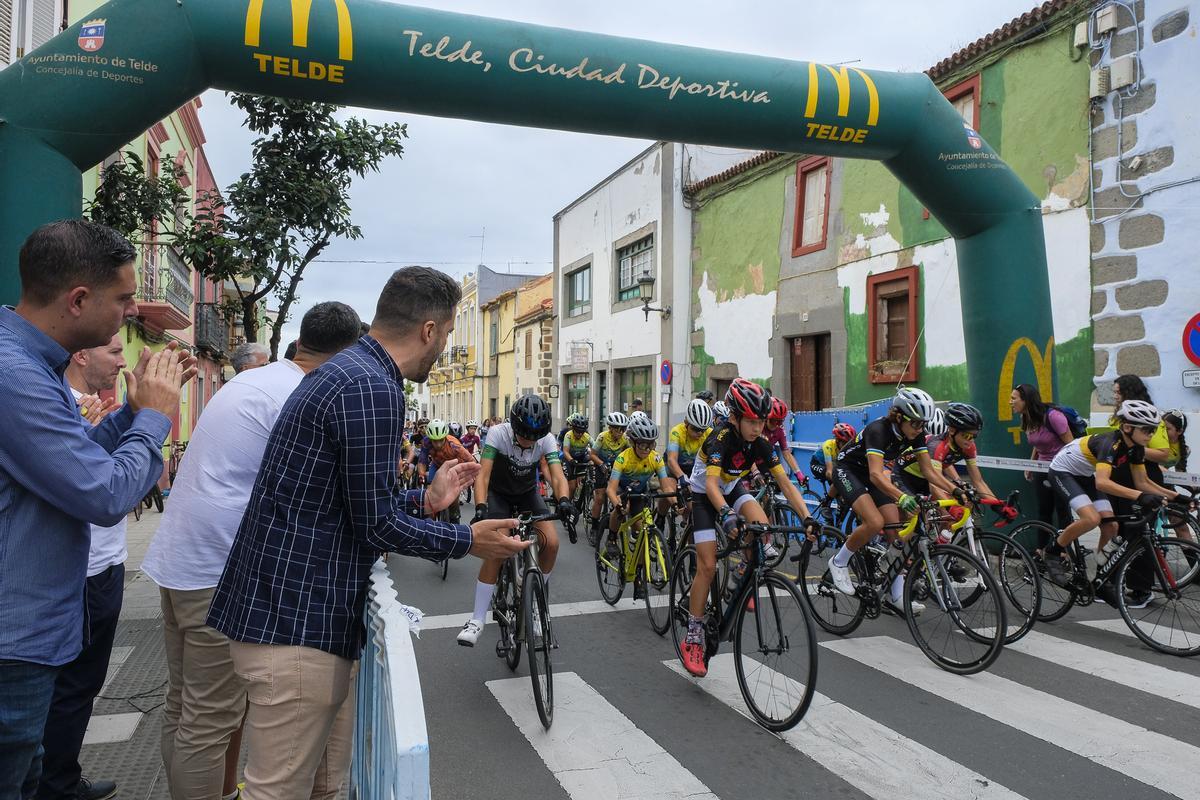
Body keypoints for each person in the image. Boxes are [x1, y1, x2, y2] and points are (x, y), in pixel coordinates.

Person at [206, 267, 527, 800]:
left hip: (287, 616)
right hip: (295, 624)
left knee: (314, 785)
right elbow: (374, 524)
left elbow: (346, 504)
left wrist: (425, 499)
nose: (443, 350)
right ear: (428, 330)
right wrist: (469, 541)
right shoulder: (373, 388)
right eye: (446, 335)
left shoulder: (351, 373)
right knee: (276, 791)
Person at [0, 219, 195, 799]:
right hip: (15, 640)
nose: (130, 312)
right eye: (124, 298)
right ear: (79, 299)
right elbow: (105, 496)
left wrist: (129, 415)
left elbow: (73, 461)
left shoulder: (33, 365)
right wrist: (156, 417)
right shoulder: (15, 375)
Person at [141, 302, 362, 800]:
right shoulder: (299, 396)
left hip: (182, 562)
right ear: (345, 354)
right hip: (217, 571)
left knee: (184, 709)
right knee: (208, 719)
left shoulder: (254, 380)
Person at [35, 334, 129, 800]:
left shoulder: (87, 407)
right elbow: (101, 491)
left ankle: (59, 776)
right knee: (73, 685)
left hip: (104, 561)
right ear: (81, 354)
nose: (121, 361)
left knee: (80, 683)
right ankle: (58, 784)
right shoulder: (57, 406)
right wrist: (143, 421)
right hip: (87, 567)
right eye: (113, 351)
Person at [681, 379, 817, 677]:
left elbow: (786, 484)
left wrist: (807, 517)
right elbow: (713, 487)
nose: (758, 428)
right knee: (706, 566)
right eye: (752, 421)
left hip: (731, 488)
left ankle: (741, 578)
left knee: (762, 528)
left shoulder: (761, 445)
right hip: (705, 495)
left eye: (762, 422)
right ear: (735, 417)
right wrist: (727, 514)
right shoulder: (720, 438)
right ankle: (693, 635)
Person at [825, 388, 963, 614]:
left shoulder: (914, 433)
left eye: (923, 424)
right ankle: (839, 562)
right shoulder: (878, 430)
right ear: (899, 417)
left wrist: (955, 491)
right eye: (916, 424)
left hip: (872, 476)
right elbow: (876, 475)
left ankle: (895, 595)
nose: (920, 429)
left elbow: (928, 471)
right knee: (874, 522)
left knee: (896, 534)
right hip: (849, 471)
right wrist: (902, 497)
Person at [456, 395, 575, 647]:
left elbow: (556, 475)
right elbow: (483, 474)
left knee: (551, 543)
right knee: (497, 548)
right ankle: (477, 620)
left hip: (526, 494)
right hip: (498, 495)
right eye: (525, 436)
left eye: (535, 437)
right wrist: (480, 507)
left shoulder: (546, 439)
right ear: (515, 426)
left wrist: (563, 499)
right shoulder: (498, 434)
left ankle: (534, 602)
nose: (530, 441)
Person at [1044, 400, 1179, 598]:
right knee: (1091, 519)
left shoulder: (1136, 449)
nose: (1151, 435)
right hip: (1063, 471)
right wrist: (1142, 497)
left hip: (1087, 474)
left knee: (1111, 526)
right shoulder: (1110, 444)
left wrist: (1176, 497)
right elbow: (1103, 484)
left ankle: (1101, 579)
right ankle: (1053, 551)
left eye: (1153, 430)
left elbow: (1142, 482)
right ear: (1127, 427)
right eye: (1147, 430)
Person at [891, 402, 996, 502]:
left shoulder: (969, 447)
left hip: (926, 478)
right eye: (967, 436)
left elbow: (978, 481)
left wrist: (998, 505)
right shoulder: (937, 446)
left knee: (946, 514)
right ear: (952, 430)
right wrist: (952, 509)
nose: (971, 440)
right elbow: (934, 484)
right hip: (904, 476)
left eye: (974, 436)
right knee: (915, 511)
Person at [605, 416, 676, 560]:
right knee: (620, 509)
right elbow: (610, 490)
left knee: (642, 534)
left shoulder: (655, 458)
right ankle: (611, 538)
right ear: (632, 442)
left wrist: (675, 502)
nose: (647, 449)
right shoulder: (622, 458)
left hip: (639, 493)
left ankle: (639, 573)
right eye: (643, 445)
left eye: (651, 445)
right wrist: (617, 503)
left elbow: (666, 486)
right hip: (622, 489)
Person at [1009, 383, 1074, 529]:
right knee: (1044, 511)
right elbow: (1038, 444)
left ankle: (1065, 549)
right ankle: (1041, 549)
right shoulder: (1025, 418)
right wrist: (1030, 465)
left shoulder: (1054, 416)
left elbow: (1071, 446)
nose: (1010, 402)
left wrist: (1067, 470)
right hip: (1041, 468)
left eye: (1014, 398)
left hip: (1061, 470)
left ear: (1025, 400)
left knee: (1062, 510)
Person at [418, 419, 474, 523]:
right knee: (430, 492)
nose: (438, 445)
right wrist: (421, 475)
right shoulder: (426, 442)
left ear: (445, 437)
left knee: (453, 498)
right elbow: (422, 460)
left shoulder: (454, 444)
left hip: (454, 467)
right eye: (435, 441)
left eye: (441, 440)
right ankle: (431, 520)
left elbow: (471, 460)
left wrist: (473, 476)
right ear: (430, 439)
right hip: (437, 465)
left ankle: (455, 517)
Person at [587, 412, 630, 540]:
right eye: (617, 428)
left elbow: (629, 453)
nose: (620, 431)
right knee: (600, 498)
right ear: (610, 428)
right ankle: (594, 527)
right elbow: (592, 455)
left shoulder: (624, 439)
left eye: (623, 429)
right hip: (600, 466)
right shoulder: (602, 437)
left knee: (619, 496)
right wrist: (601, 464)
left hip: (616, 468)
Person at [561, 414, 593, 543]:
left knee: (591, 460)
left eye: (582, 432)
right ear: (573, 429)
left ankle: (586, 486)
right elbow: (566, 451)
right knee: (572, 486)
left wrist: (595, 459)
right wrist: (571, 460)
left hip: (581, 457)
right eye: (577, 431)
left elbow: (595, 449)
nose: (579, 434)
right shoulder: (568, 435)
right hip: (569, 459)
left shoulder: (587, 437)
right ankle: (567, 506)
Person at [765, 397, 805, 484]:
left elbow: (786, 454)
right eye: (773, 421)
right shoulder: (759, 427)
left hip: (765, 459)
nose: (776, 425)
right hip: (751, 460)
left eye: (780, 422)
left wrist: (798, 473)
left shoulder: (780, 430)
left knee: (780, 482)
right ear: (766, 418)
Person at [810, 422, 856, 488]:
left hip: (832, 465)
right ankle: (829, 498)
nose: (846, 446)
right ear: (837, 440)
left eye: (848, 444)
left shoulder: (847, 449)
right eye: (844, 443)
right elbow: (829, 472)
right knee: (835, 477)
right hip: (817, 464)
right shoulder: (828, 445)